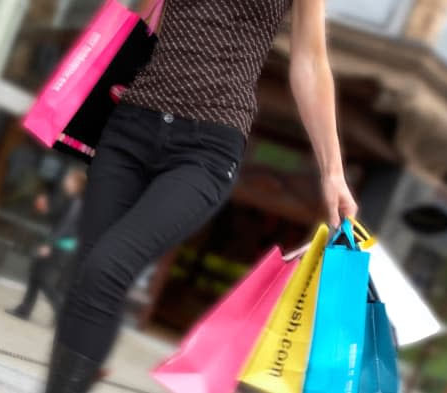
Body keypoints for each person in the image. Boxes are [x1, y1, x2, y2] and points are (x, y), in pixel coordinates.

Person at [45, 1, 358, 392]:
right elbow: (145, 16)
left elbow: (310, 62)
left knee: (105, 268)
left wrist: (333, 171)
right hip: (130, 125)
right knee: (89, 276)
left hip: (208, 147)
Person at [6, 167, 86, 320]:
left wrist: (49, 244)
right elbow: (57, 221)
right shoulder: (70, 201)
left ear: (76, 184)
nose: (65, 181)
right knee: (36, 275)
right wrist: (45, 210)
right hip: (59, 244)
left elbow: (65, 226)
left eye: (69, 179)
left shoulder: (76, 203)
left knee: (43, 279)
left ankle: (61, 311)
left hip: (61, 246)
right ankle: (26, 309)